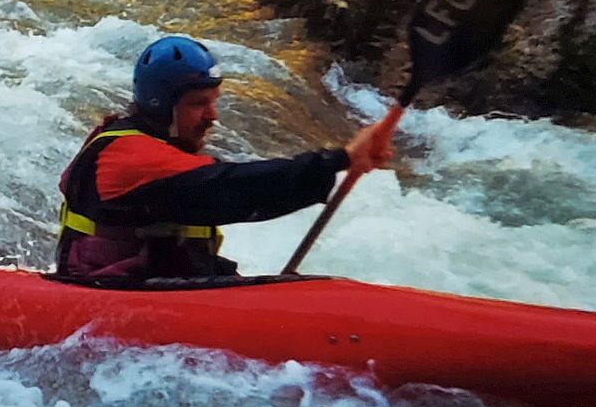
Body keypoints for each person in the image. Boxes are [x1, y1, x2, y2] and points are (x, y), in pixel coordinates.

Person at [55, 35, 395, 280]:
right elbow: (237, 189)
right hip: (110, 289)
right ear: (162, 105)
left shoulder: (142, 141)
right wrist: (340, 159)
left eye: (213, 101)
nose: (212, 116)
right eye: (198, 103)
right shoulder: (131, 158)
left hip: (154, 282)